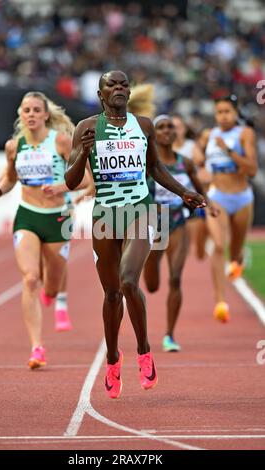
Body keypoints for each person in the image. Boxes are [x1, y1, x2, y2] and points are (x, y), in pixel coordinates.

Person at [65, 70, 206, 399]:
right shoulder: (86, 128)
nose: (118, 89)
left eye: (123, 84)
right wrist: (84, 153)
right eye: (111, 85)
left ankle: (144, 350)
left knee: (129, 281)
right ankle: (113, 359)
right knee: (112, 294)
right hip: (105, 216)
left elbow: (156, 168)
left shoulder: (143, 126)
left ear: (128, 92)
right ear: (101, 95)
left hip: (141, 210)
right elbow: (71, 182)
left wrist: (185, 191)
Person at [0, 91, 89, 369]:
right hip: (28, 217)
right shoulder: (14, 146)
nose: (30, 114)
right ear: (20, 114)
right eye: (26, 110)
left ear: (45, 115)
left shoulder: (61, 141)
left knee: (52, 285)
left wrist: (61, 187)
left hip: (57, 219)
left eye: (35, 110)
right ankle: (37, 347)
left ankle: (54, 295)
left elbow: (85, 178)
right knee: (30, 278)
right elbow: (9, 179)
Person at [144, 115, 218, 352]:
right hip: (155, 224)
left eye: (170, 127)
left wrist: (210, 205)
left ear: (176, 134)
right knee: (152, 285)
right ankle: (149, 265)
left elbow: (197, 188)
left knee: (176, 278)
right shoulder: (147, 163)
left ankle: (169, 336)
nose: (167, 131)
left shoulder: (185, 163)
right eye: (161, 127)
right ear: (154, 135)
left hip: (178, 221)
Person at [200, 95, 258, 322]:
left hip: (242, 198)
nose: (223, 116)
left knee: (235, 253)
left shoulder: (245, 134)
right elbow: (200, 162)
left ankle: (238, 260)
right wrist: (201, 172)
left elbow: (252, 169)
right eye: (219, 112)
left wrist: (229, 152)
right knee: (217, 244)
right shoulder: (210, 135)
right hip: (217, 197)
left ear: (235, 113)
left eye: (227, 111)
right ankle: (220, 302)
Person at [172, 114, 212, 260]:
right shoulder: (162, 147)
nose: (176, 131)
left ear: (184, 129)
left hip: (189, 198)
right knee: (175, 246)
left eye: (179, 127)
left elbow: (203, 170)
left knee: (197, 251)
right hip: (168, 199)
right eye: (172, 127)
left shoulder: (191, 146)